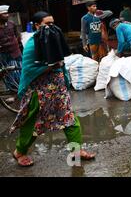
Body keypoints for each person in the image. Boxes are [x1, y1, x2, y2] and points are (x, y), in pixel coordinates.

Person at [10, 11, 95, 167]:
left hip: (58, 88)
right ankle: (19, 152)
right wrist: (50, 66)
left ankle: (76, 150)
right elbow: (29, 69)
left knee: (69, 119)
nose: (51, 27)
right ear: (37, 25)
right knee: (33, 123)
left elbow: (61, 62)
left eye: (53, 23)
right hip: (39, 91)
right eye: (47, 24)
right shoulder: (32, 43)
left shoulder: (54, 39)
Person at [0, 5, 22, 92]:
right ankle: (12, 90)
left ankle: (21, 88)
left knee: (19, 69)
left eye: (7, 13)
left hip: (15, 51)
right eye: (4, 14)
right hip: (3, 54)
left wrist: (15, 43)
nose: (7, 15)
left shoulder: (11, 24)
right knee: (7, 72)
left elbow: (18, 35)